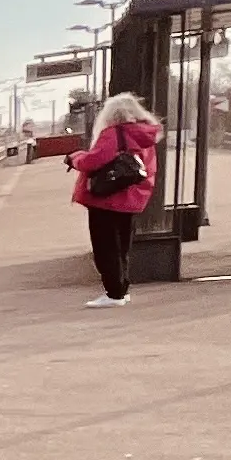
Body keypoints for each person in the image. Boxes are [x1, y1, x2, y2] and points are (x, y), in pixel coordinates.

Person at [70, 90, 160, 305]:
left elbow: (92, 161)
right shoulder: (144, 135)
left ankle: (114, 294)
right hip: (131, 199)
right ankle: (122, 289)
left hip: (108, 198)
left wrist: (74, 158)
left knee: (106, 247)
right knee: (122, 247)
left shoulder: (115, 133)